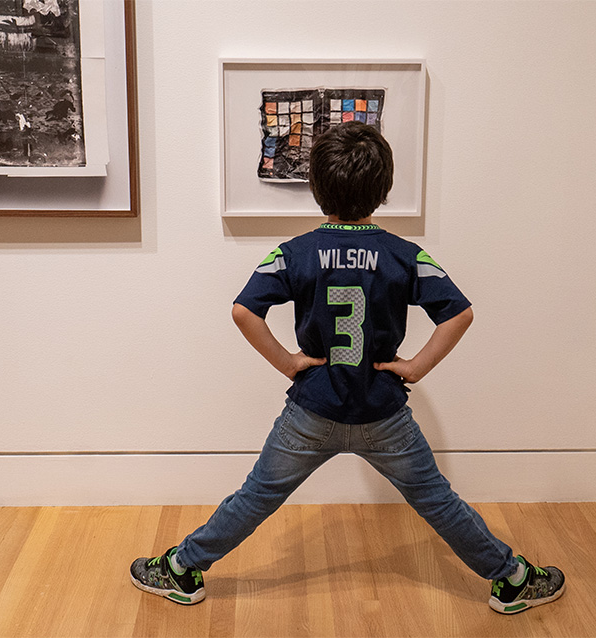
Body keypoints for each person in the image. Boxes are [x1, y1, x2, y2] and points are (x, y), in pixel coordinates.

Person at [130, 121, 566, 615]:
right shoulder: (406, 256)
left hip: (311, 413)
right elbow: (459, 313)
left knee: (255, 496)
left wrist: (290, 362)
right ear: (383, 189)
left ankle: (182, 570)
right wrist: (417, 367)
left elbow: (243, 310)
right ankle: (511, 579)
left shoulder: (292, 253)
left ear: (316, 188)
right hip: (385, 415)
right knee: (439, 502)